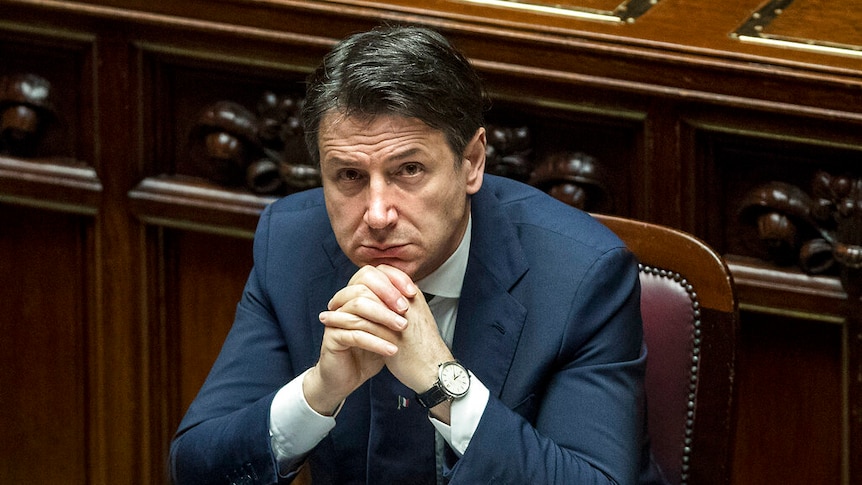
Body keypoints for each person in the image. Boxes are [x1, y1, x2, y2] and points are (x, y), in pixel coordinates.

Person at [170, 25, 663, 485]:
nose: (378, 214)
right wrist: (318, 392)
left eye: (408, 169)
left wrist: (443, 386)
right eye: (349, 176)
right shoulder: (292, 243)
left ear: (471, 163)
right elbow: (195, 466)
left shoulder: (580, 275)